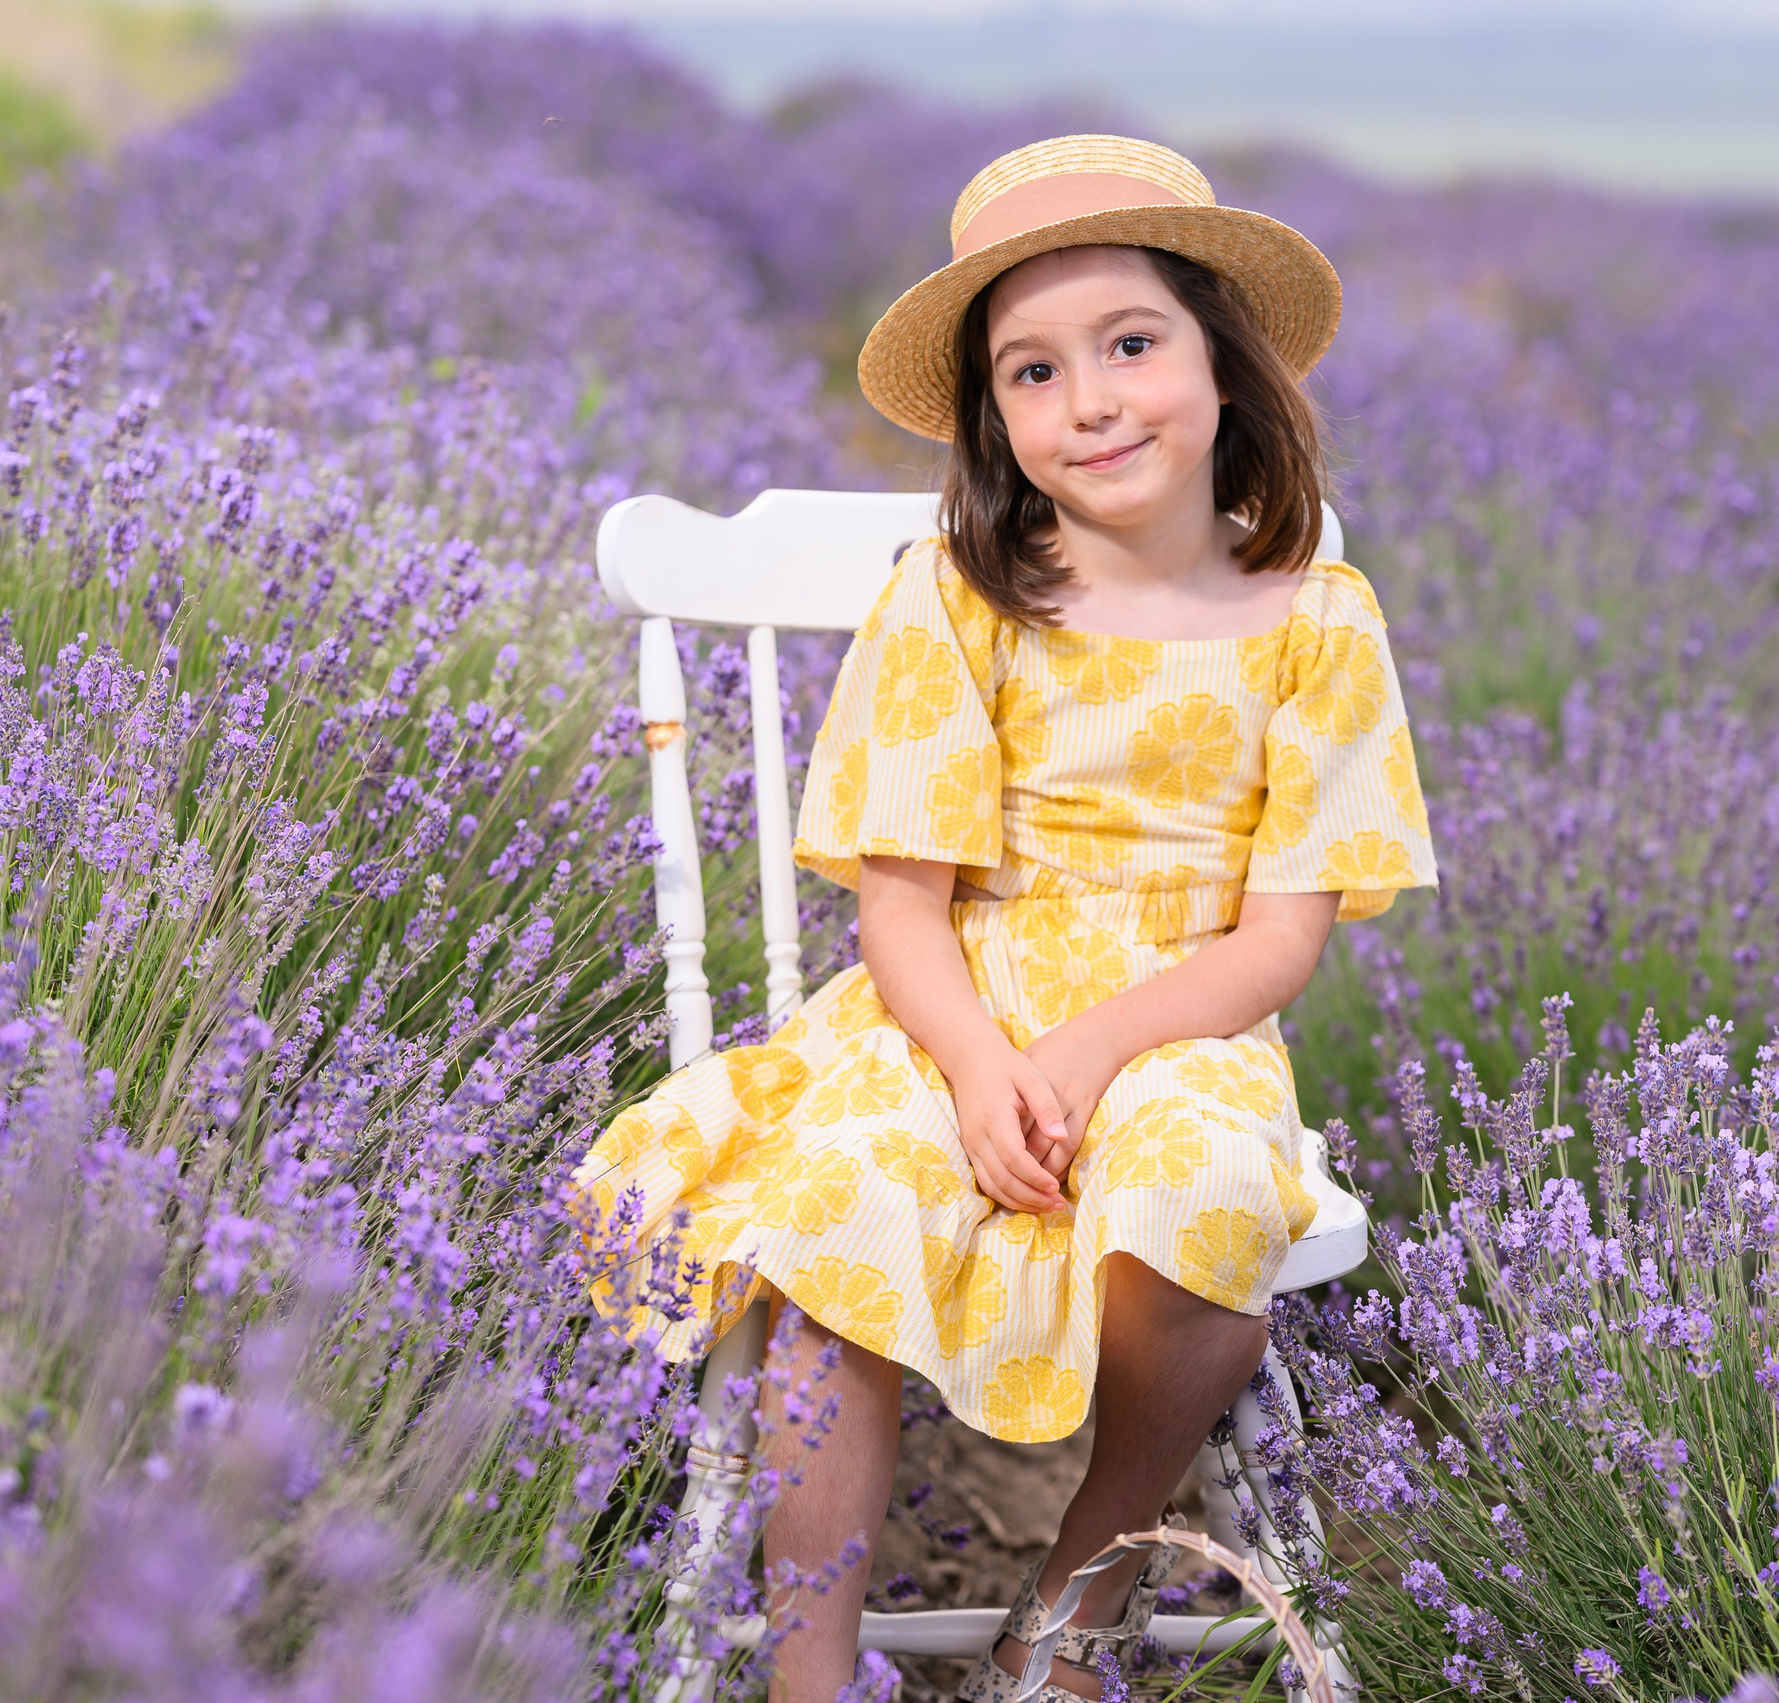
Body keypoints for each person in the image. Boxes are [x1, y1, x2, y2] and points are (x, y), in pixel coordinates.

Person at [576, 133, 1438, 1703]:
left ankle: (1080, 1591)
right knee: (830, 1233)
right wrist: (980, 1067)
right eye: (1034, 373)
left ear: (1223, 363)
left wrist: (1098, 1051)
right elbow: (899, 910)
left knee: (1201, 1211)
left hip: (1181, 1016)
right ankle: (808, 1671)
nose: (1091, 399)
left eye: (1130, 345)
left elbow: (1278, 943)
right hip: (946, 1008)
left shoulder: (1318, 614)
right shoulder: (956, 596)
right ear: (996, 417)